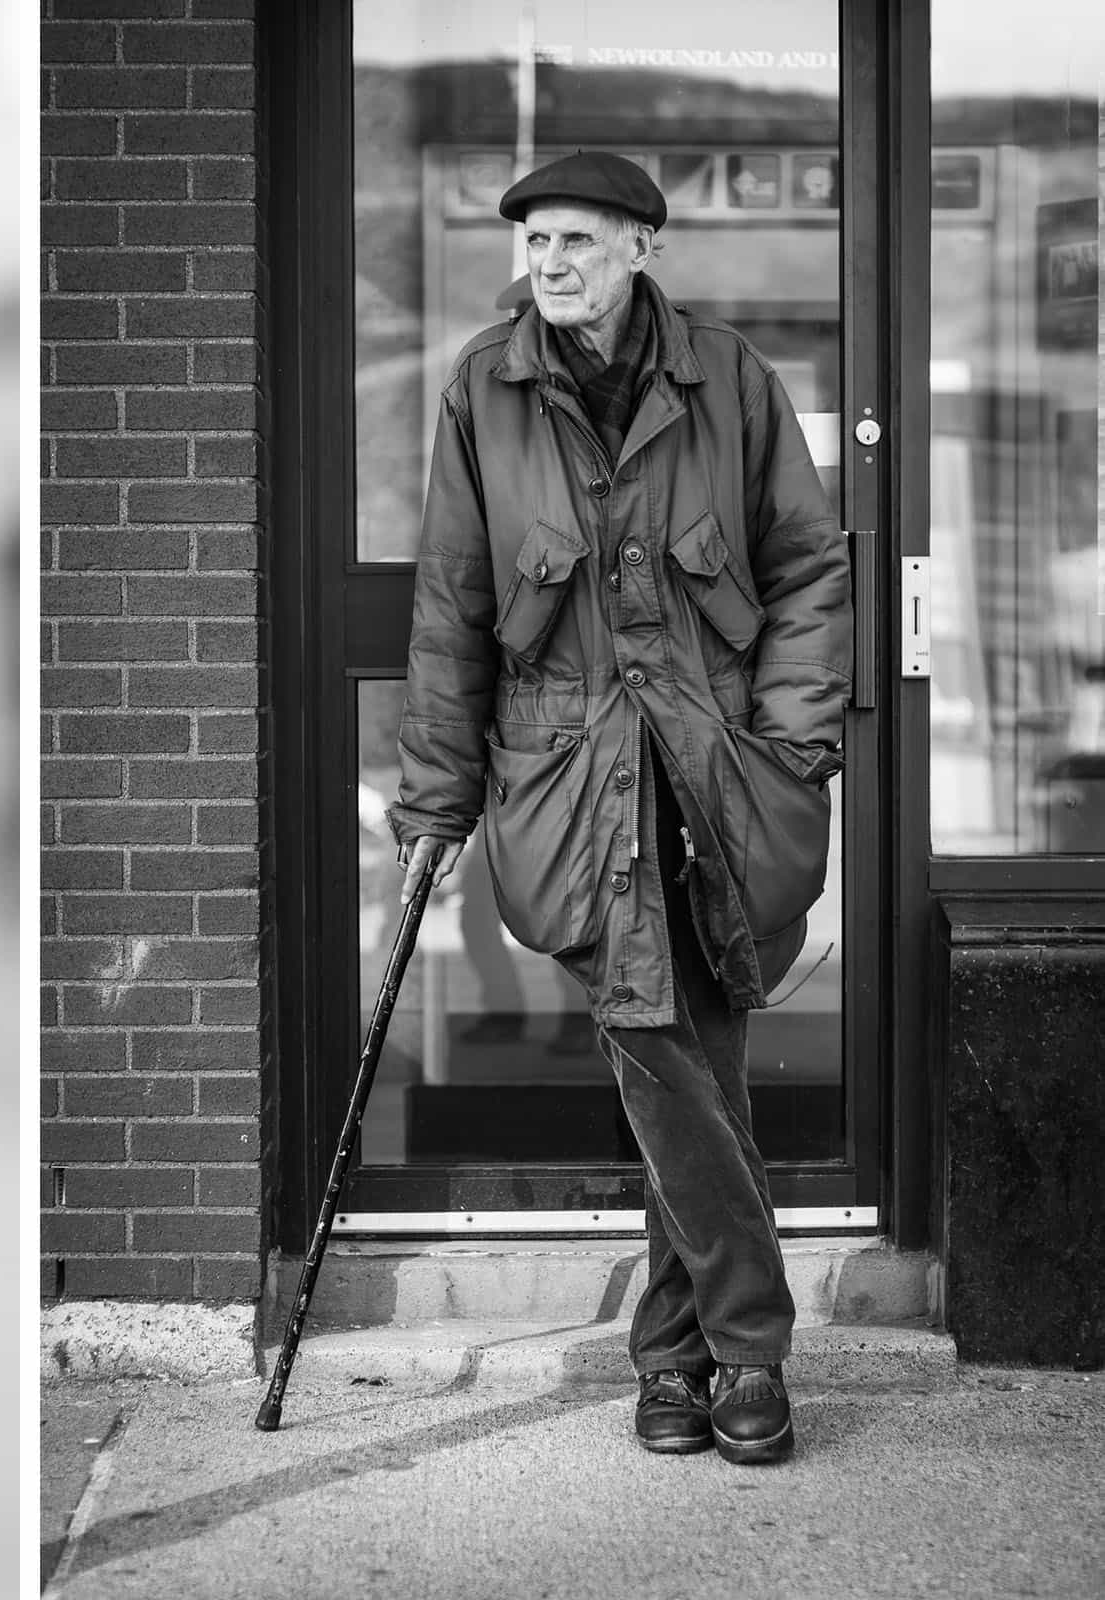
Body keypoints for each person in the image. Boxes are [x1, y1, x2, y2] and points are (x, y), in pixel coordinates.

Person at [389, 151, 850, 1466]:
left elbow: (805, 568)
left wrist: (792, 742)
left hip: (712, 778)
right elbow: (453, 604)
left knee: (690, 1061)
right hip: (567, 782)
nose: (546, 265)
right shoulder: (487, 386)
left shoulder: (729, 379)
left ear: (642, 244)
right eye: (532, 242)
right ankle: (745, 1348)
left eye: (575, 242)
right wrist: (435, 795)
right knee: (660, 1050)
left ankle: (672, 1367)